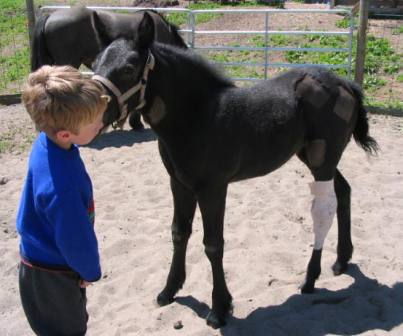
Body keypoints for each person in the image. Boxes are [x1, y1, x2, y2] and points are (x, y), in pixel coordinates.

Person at [16, 65, 110, 335]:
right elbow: (75, 239)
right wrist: (89, 271)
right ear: (66, 134)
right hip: (54, 276)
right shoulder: (63, 188)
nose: (101, 125)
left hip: (37, 263)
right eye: (95, 124)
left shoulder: (48, 143)